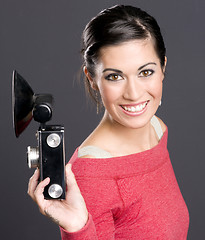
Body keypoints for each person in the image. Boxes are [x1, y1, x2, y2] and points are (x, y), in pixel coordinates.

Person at [28, 5, 189, 239]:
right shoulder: (90, 175)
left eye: (145, 72)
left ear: (163, 67)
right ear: (92, 79)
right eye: (115, 76)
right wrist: (77, 228)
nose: (134, 94)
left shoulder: (156, 128)